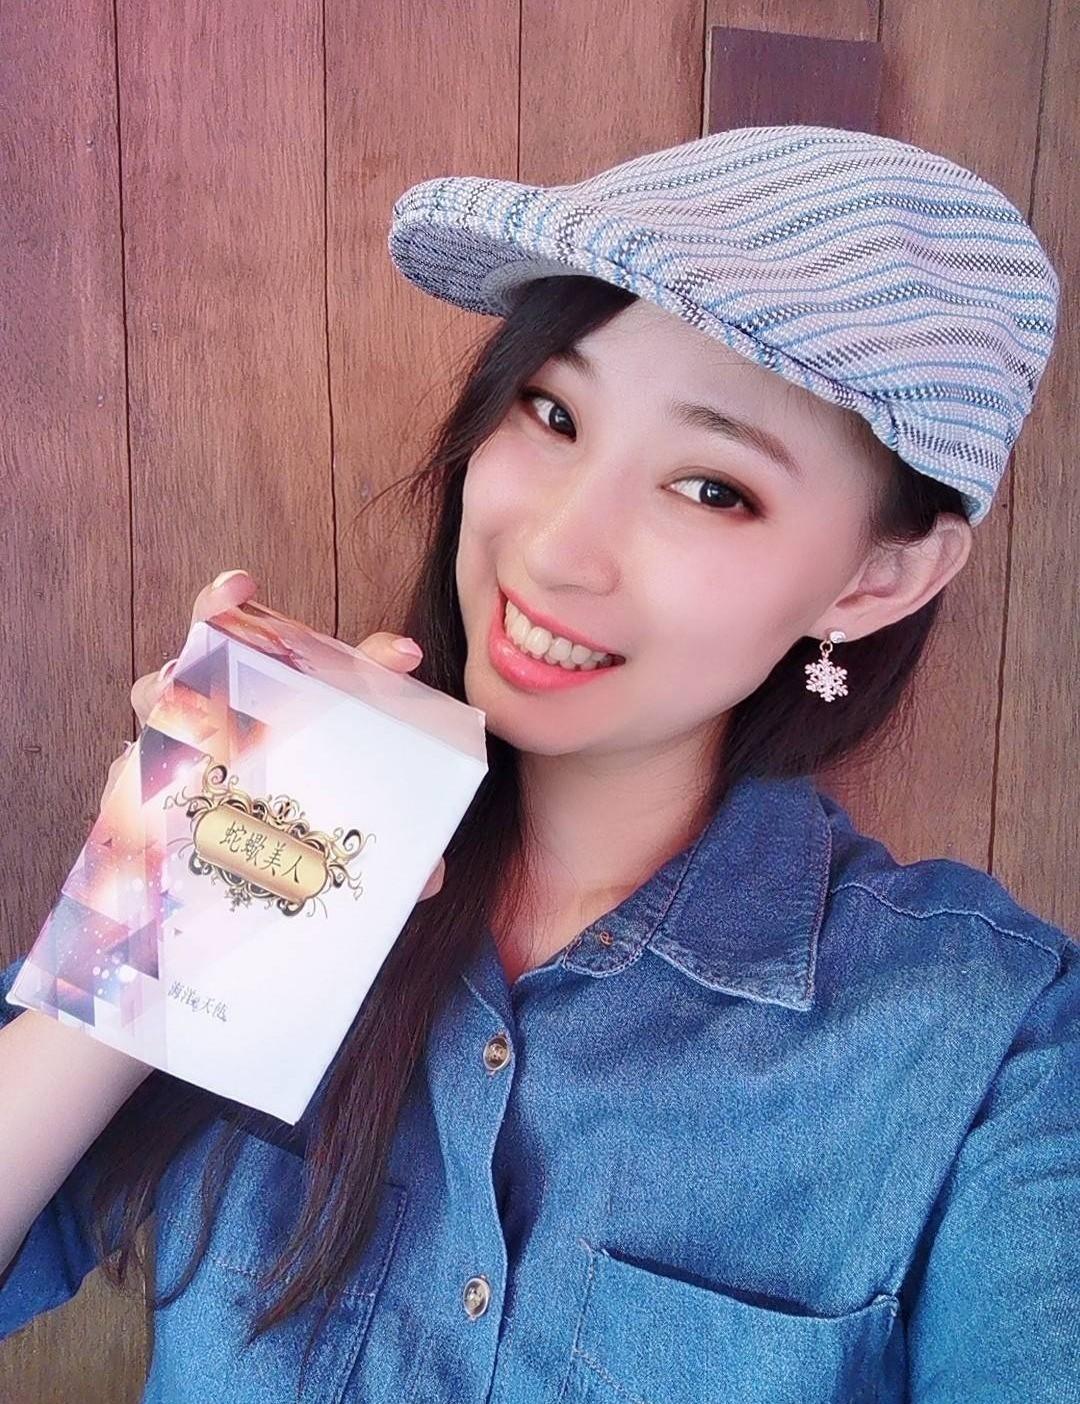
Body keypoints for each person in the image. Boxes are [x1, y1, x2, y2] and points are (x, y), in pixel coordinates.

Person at [1, 124, 1077, 1403]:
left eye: (711, 488)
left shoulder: (988, 1040)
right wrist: (151, 916)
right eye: (553, 412)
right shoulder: (278, 828)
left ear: (875, 578)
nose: (557, 548)